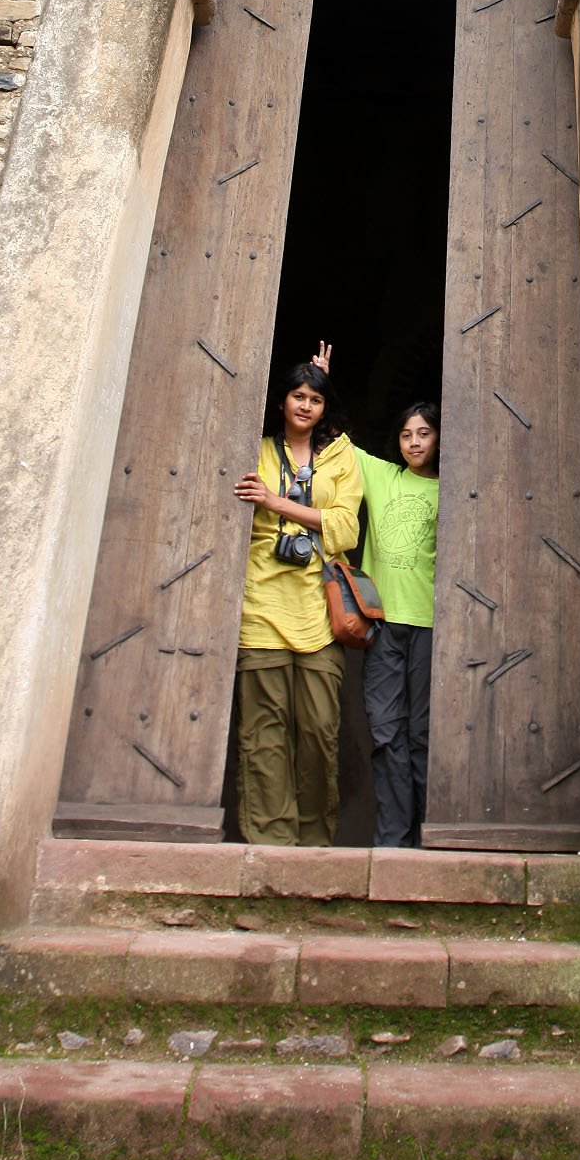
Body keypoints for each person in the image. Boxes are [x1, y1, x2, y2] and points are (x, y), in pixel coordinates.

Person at [231, 346, 362, 845]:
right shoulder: (257, 449)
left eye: (315, 399)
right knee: (263, 733)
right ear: (281, 401)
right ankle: (270, 841)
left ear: (326, 409)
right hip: (261, 604)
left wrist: (275, 501)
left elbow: (345, 528)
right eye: (297, 395)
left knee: (318, 732)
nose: (305, 405)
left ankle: (313, 841)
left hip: (319, 608)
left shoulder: (339, 456)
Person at [356, 401, 440, 848]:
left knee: (423, 733)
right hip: (384, 625)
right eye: (408, 434)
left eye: (424, 433)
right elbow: (338, 444)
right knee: (387, 732)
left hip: (430, 626)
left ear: (439, 437)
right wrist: (322, 381)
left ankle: (431, 837)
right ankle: (394, 841)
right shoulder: (384, 477)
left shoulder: (453, 491)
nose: (414, 442)